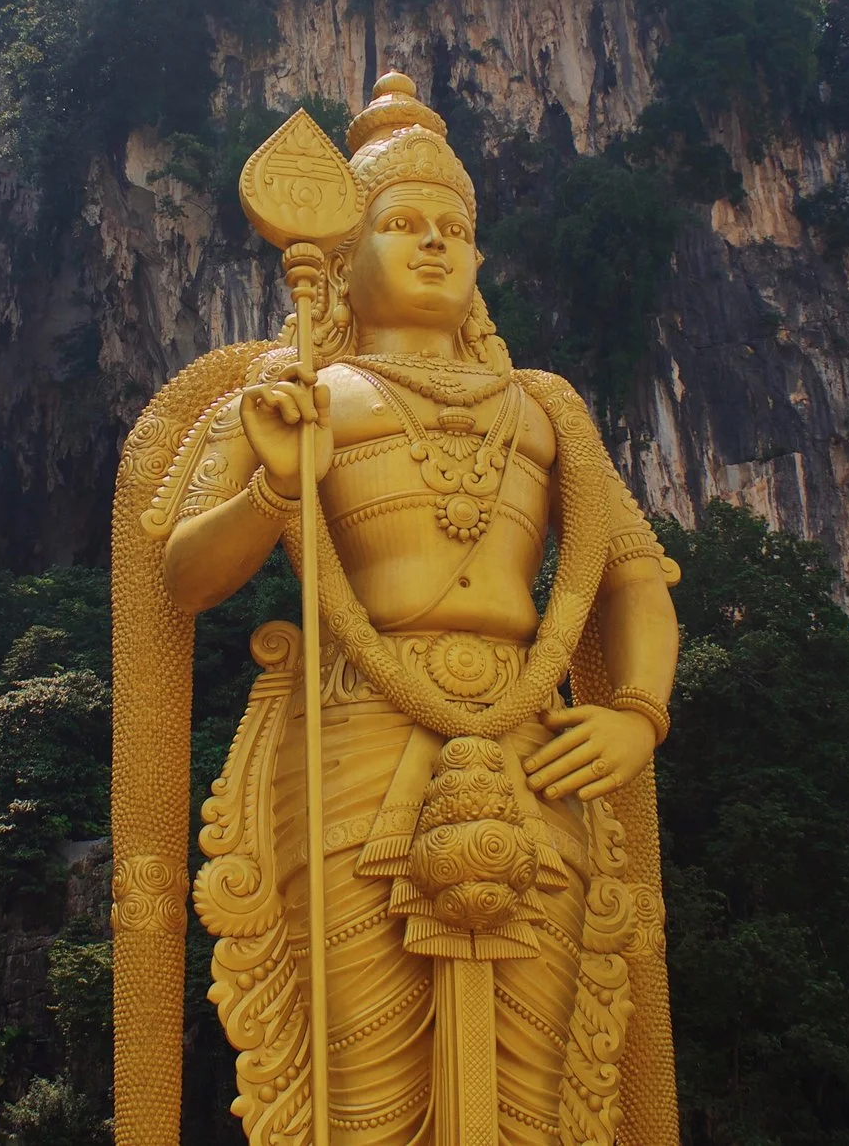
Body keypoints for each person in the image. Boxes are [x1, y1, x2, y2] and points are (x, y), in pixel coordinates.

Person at [117, 75, 682, 1146]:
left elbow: (632, 576)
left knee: (536, 1085)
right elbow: (183, 577)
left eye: (454, 229)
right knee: (359, 1086)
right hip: (351, 736)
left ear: (478, 263)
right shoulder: (291, 390)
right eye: (402, 222)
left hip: (530, 741)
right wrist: (275, 484)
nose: (433, 244)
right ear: (340, 253)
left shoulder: (548, 408)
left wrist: (636, 710)